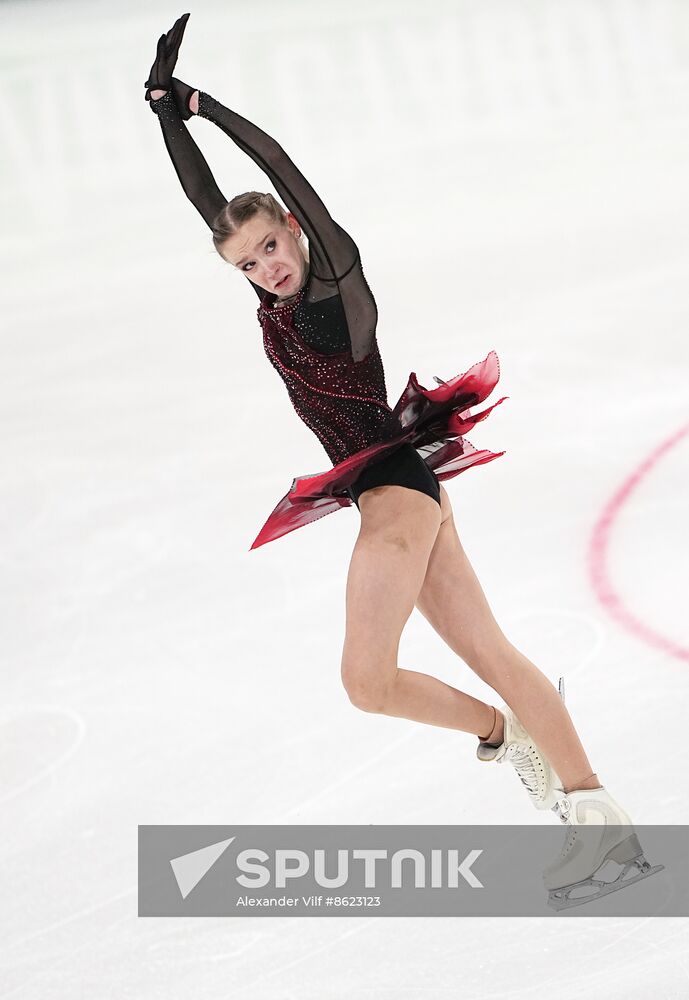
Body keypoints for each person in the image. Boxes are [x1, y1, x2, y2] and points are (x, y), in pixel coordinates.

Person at [144, 15, 661, 907]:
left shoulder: (334, 274)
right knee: (485, 650)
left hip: (391, 489)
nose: (266, 264)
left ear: (295, 235)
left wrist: (206, 106)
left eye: (272, 243)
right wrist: (163, 113)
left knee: (367, 683)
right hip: (393, 487)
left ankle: (507, 736)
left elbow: (283, 174)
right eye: (248, 260)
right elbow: (208, 203)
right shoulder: (260, 279)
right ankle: (595, 822)